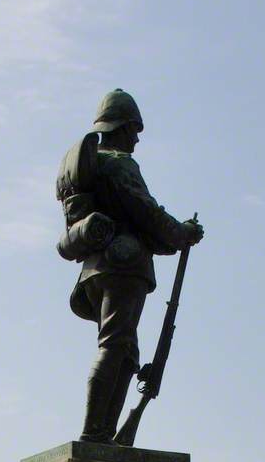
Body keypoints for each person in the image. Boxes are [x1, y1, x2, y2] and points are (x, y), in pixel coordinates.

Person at [57, 89, 204, 443]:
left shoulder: (95, 166)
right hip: (123, 268)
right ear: (122, 127)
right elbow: (147, 213)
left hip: (94, 271)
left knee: (125, 353)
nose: (137, 138)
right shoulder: (120, 163)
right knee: (114, 345)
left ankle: (107, 435)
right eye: (134, 129)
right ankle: (94, 436)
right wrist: (182, 232)